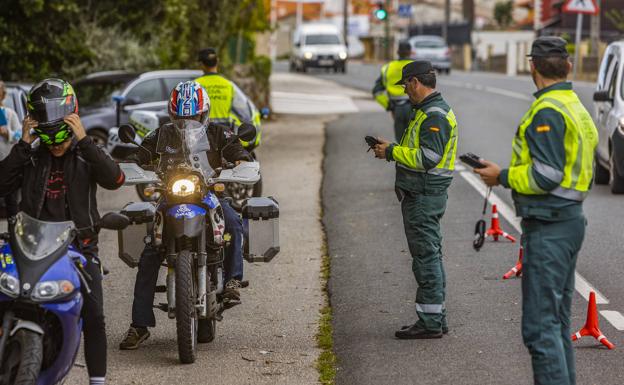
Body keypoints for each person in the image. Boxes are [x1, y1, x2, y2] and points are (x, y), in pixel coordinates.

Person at [475, 36, 598, 385]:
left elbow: (546, 174)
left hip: (549, 225)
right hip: (570, 220)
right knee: (556, 325)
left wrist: (502, 176)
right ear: (569, 66)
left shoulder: (548, 110)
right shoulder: (573, 103)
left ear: (532, 67)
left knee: (541, 331)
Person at [0, 78, 126, 385]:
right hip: (28, 245)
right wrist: (22, 143)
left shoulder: (86, 152)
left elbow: (115, 179)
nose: (56, 146)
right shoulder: (30, 155)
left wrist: (84, 140)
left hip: (78, 247)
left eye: (61, 141)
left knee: (94, 316)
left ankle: (98, 381)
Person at [119, 81, 251, 350]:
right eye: (181, 117)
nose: (187, 121)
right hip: (170, 197)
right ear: (172, 115)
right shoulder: (161, 134)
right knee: (150, 252)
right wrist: (133, 164)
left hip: (208, 193)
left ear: (204, 114)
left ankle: (232, 281)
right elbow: (139, 154)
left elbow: (240, 152)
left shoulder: (217, 133)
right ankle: (139, 325)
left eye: (193, 116)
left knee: (234, 222)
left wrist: (240, 162)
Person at [372, 61, 458, 339]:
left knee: (425, 258)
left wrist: (392, 152)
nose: (404, 91)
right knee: (430, 255)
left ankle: (431, 322)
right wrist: (392, 148)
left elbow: (428, 158)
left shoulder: (434, 114)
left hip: (423, 193)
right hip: (423, 193)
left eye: (405, 85)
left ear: (415, 82)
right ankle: (436, 317)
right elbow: (417, 150)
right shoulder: (427, 111)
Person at [195, 47, 261, 149]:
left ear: (201, 64)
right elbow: (244, 114)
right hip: (224, 137)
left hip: (200, 139)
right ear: (217, 61)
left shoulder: (195, 85)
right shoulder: (228, 85)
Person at [372, 41, 414, 141]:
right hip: (414, 109)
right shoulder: (416, 67)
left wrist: (388, 106)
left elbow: (376, 91)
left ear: (398, 52)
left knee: (400, 142)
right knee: (413, 140)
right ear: (410, 52)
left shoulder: (388, 68)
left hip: (396, 109)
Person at [0, 81, 22, 218]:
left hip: (8, 162)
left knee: (11, 200)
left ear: (2, 95)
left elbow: (20, 135)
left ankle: (13, 233)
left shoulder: (10, 114)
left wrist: (7, 133)